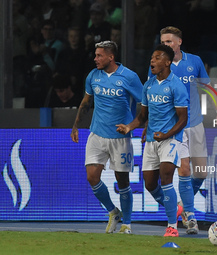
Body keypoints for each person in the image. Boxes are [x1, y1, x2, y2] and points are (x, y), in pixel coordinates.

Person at [148, 26, 217, 234]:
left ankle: (182, 205)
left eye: (169, 42)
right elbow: (150, 95)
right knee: (185, 169)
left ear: (179, 42)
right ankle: (190, 216)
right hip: (175, 126)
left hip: (196, 123)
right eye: (163, 42)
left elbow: (207, 87)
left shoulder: (195, 61)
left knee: (201, 172)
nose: (165, 45)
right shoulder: (157, 64)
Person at [71, 41, 143, 234]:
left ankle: (127, 224)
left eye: (99, 55)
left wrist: (134, 126)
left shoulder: (129, 77)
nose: (95, 59)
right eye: (95, 55)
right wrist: (76, 125)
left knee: (123, 181)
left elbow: (144, 104)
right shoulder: (93, 76)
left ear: (111, 57)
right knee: (92, 177)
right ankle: (113, 211)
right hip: (96, 133)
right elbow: (86, 102)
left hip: (120, 137)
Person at [116, 44, 189, 237]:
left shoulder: (176, 85)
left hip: (171, 139)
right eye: (151, 58)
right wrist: (130, 127)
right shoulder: (148, 85)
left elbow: (183, 118)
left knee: (166, 178)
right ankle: (176, 208)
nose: (152, 61)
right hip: (151, 140)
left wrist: (166, 135)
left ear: (167, 62)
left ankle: (172, 226)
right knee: (150, 184)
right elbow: (142, 116)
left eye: (157, 58)